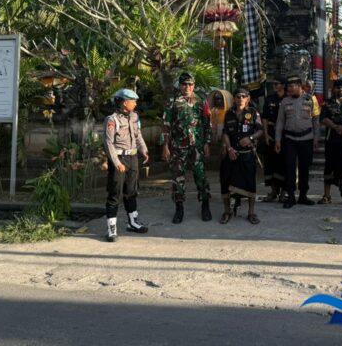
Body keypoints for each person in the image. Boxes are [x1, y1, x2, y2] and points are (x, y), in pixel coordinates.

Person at [161, 72, 212, 224]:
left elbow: (207, 123)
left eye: (190, 84)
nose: (187, 87)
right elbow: (166, 125)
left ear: (194, 85)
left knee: (200, 175)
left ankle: (205, 205)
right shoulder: (173, 101)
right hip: (178, 147)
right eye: (184, 84)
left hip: (197, 145)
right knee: (178, 177)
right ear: (180, 85)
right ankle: (179, 208)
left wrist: (207, 143)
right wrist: (165, 146)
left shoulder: (201, 100)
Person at [103, 88, 150, 242]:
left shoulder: (134, 116)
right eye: (133, 101)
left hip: (132, 158)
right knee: (115, 193)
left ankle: (133, 222)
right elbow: (108, 143)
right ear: (124, 102)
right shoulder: (112, 120)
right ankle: (111, 229)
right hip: (119, 158)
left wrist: (144, 150)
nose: (135, 103)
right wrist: (116, 162)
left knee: (131, 191)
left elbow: (138, 135)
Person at [219, 87, 264, 224]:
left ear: (248, 98)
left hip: (247, 155)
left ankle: (251, 213)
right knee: (225, 181)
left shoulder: (253, 113)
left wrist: (250, 138)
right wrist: (229, 148)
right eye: (238, 96)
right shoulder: (229, 113)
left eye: (243, 96)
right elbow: (225, 133)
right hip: (232, 154)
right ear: (234, 98)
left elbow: (260, 130)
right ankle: (227, 211)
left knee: (250, 183)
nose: (240, 99)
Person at [274, 75, 319, 208]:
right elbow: (280, 121)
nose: (289, 89)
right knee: (290, 168)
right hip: (290, 140)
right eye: (288, 86)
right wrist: (277, 140)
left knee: (305, 167)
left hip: (307, 139)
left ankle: (303, 195)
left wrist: (316, 138)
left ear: (300, 86)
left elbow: (316, 120)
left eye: (292, 86)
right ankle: (291, 196)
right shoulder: (285, 101)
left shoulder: (311, 99)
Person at [319, 79, 342, 204]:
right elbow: (323, 119)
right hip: (331, 139)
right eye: (338, 87)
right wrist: (336, 127)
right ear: (333, 89)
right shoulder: (327, 103)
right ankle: (327, 195)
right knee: (329, 166)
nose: (341, 90)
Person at [260, 77, 286, 202]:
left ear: (283, 85)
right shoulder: (269, 99)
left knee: (283, 163)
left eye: (277, 83)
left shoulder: (288, 99)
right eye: (273, 84)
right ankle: (273, 191)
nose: (274, 86)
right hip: (270, 132)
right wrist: (265, 134)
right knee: (270, 163)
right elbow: (264, 117)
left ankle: (284, 192)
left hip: (284, 134)